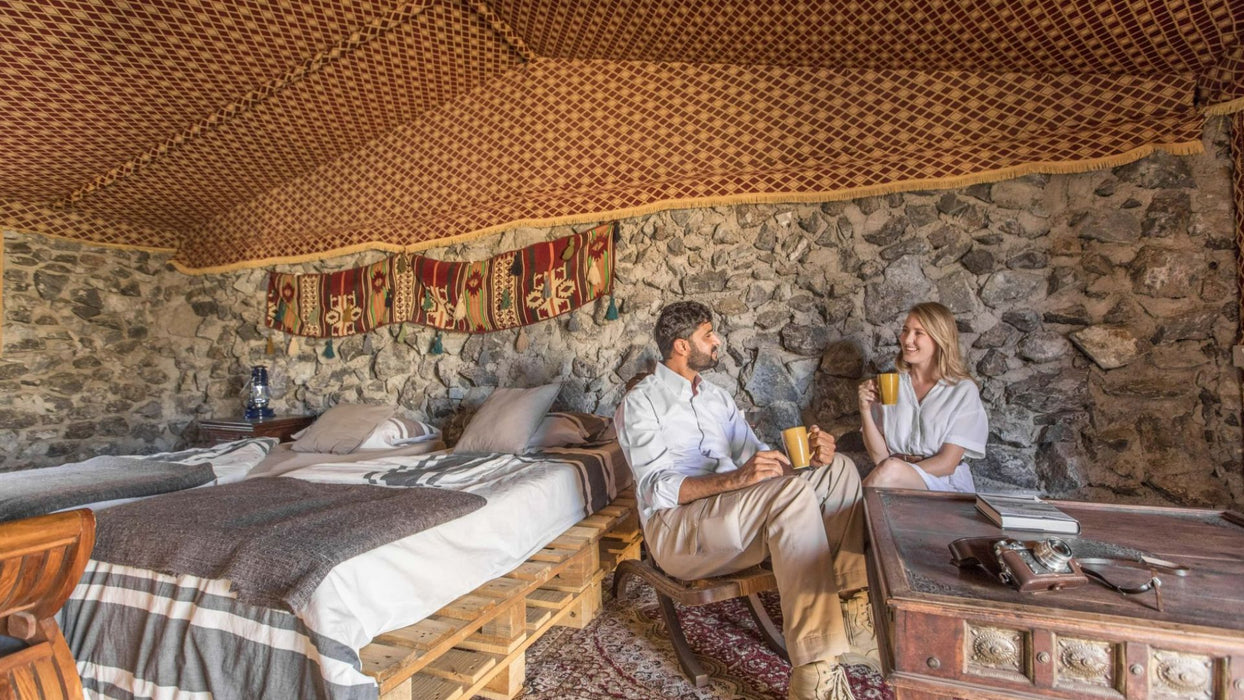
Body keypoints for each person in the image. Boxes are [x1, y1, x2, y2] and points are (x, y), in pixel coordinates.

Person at [615, 301, 868, 700]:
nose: (717, 341)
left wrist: (808, 461)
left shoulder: (716, 397)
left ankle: (851, 615)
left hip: (734, 512)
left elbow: (758, 460)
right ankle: (815, 673)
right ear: (682, 346)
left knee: (840, 471)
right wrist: (736, 478)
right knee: (789, 495)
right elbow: (655, 488)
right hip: (679, 528)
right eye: (708, 335)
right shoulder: (641, 402)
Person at [858, 301, 988, 492]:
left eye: (918, 333)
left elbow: (947, 463)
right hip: (890, 479)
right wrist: (865, 409)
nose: (907, 340)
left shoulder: (962, 391)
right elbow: (879, 458)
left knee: (889, 470)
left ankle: (840, 509)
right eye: (905, 330)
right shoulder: (891, 385)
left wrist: (897, 472)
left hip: (943, 483)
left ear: (939, 338)